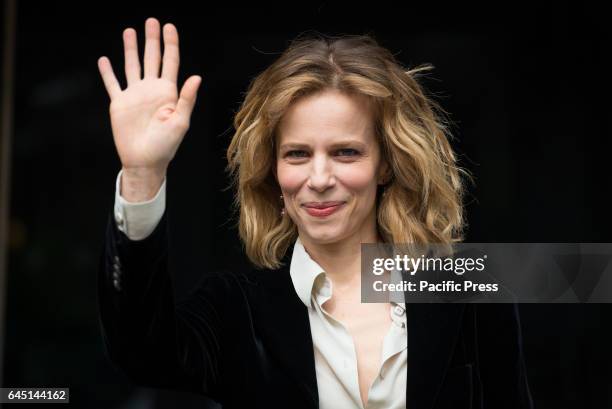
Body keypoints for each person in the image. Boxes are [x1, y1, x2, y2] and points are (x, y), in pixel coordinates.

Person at [96, 17, 533, 409]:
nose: (320, 177)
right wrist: (142, 173)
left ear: (385, 163)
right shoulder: (237, 310)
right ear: (273, 169)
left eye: (346, 152)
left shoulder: (470, 291)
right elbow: (140, 351)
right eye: (298, 154)